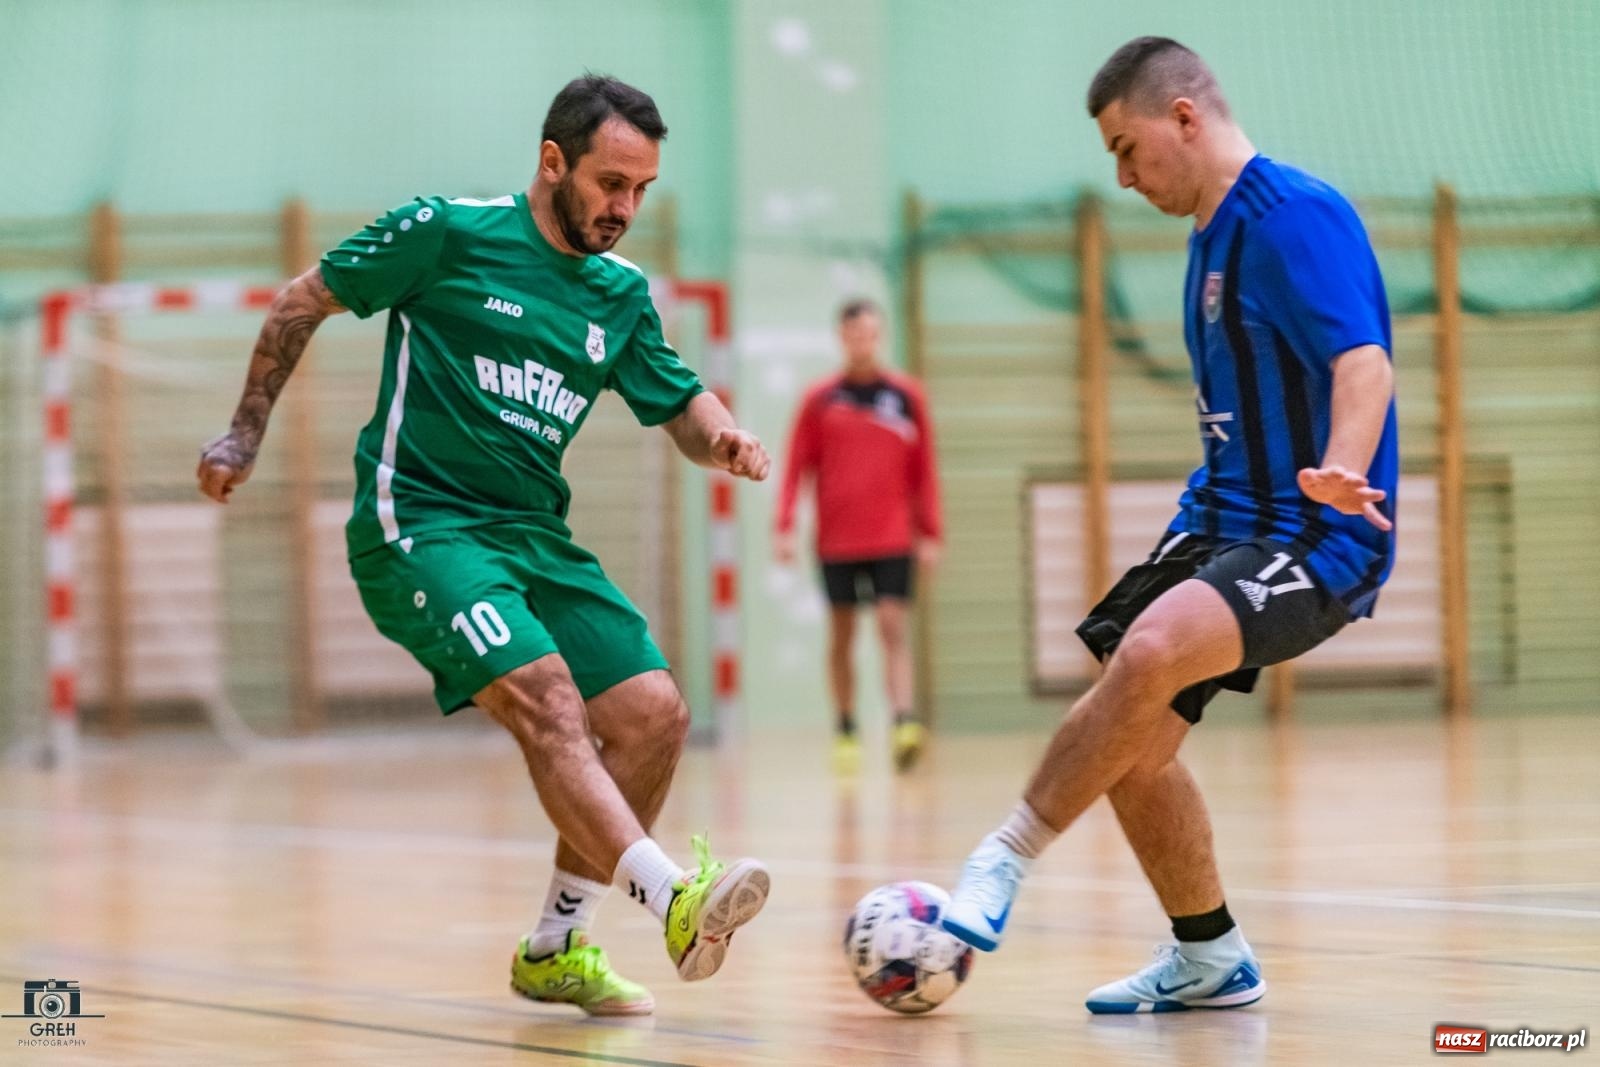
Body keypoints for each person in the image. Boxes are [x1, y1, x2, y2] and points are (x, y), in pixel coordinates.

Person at [197, 75, 773, 1017]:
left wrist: (725, 437)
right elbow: (303, 300)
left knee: (653, 713)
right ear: (553, 162)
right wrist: (244, 431)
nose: (626, 208)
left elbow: (678, 399)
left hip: (533, 538)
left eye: (642, 190)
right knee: (548, 697)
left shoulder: (617, 295)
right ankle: (673, 898)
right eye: (610, 183)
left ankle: (555, 947)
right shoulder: (447, 232)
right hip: (419, 525)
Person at [941, 37, 1398, 1015]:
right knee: (1129, 740)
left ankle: (1004, 856)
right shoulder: (1209, 235)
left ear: (1184, 118)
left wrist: (1345, 467)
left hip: (1315, 532)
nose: (1120, 175)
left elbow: (1364, 365)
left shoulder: (1291, 217)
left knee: (1149, 652)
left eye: (1126, 147)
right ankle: (1210, 954)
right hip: (1224, 516)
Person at [774, 298, 943, 773]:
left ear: (880, 336)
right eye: (854, 334)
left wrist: (931, 532)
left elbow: (924, 470)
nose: (862, 342)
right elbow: (795, 468)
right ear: (842, 338)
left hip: (892, 537)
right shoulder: (820, 400)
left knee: (892, 626)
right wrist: (784, 525)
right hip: (837, 541)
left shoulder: (908, 397)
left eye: (870, 333)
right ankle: (846, 726)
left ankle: (903, 720)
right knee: (842, 635)